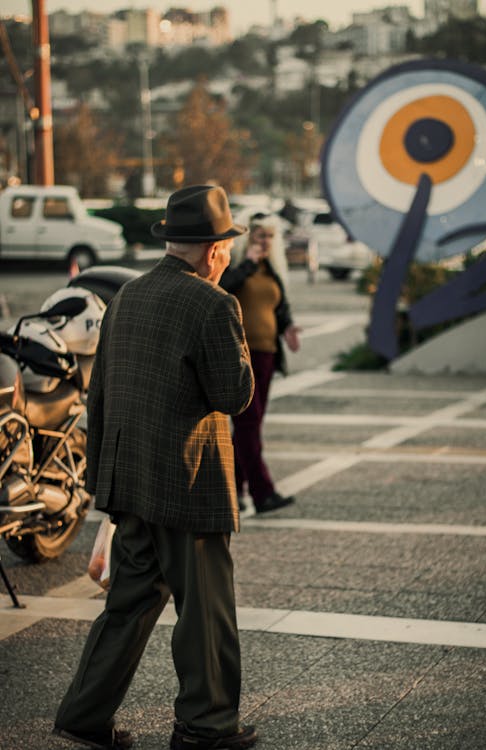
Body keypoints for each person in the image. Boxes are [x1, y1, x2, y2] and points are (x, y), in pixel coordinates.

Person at [53, 185, 257, 750]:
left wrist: (103, 482)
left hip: (129, 477)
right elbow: (233, 393)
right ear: (215, 250)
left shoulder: (128, 295)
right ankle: (207, 725)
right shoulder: (214, 302)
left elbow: (99, 395)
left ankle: (84, 714)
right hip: (188, 480)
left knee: (129, 604)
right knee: (205, 609)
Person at [220, 211, 301, 514]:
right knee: (248, 424)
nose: (265, 242)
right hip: (241, 354)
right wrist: (249, 262)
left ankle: (232, 491)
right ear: (248, 238)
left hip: (266, 355)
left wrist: (289, 328)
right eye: (259, 236)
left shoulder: (272, 270)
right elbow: (223, 288)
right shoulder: (240, 267)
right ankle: (262, 492)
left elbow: (280, 307)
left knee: (247, 428)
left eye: (269, 236)